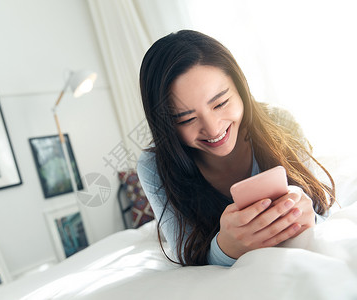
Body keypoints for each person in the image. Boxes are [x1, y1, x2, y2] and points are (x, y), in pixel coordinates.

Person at [137, 30, 335, 267]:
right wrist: (225, 249)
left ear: (240, 88)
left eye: (220, 103)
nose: (212, 129)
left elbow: (325, 215)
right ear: (165, 125)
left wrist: (307, 219)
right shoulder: (154, 166)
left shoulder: (281, 123)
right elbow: (186, 255)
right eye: (186, 119)